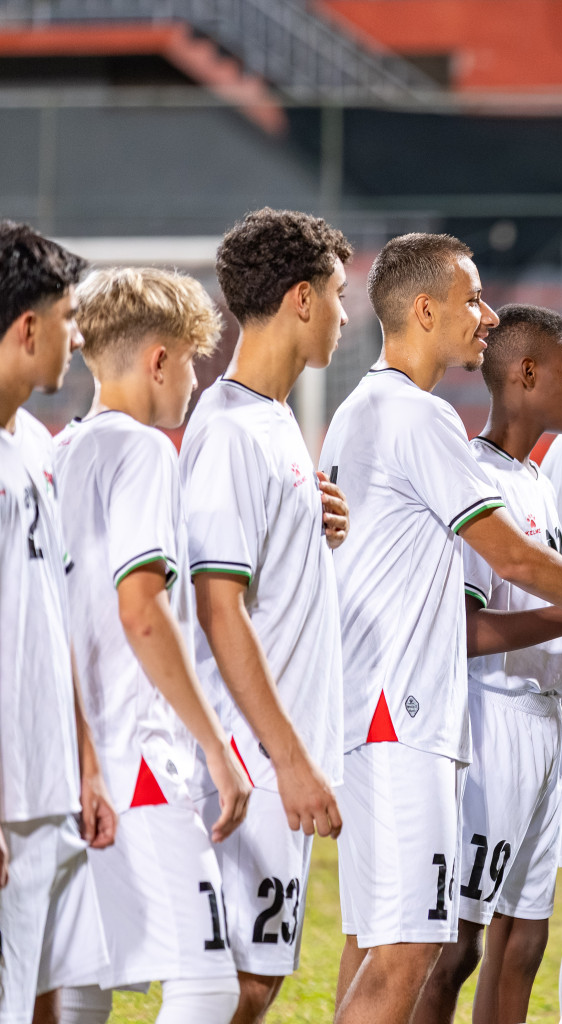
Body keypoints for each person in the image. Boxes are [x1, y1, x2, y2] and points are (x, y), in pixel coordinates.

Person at [322, 235, 562, 1024]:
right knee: (418, 949)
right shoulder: (418, 420)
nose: (486, 315)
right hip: (425, 715)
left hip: (436, 715)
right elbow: (509, 565)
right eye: (473, 299)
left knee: (426, 940)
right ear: (425, 309)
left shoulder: (381, 415)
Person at [53, 266, 254, 1024]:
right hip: (139, 759)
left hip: (79, 761)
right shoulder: (141, 452)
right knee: (207, 984)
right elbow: (143, 612)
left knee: (81, 988)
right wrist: (213, 748)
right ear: (159, 359)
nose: (197, 382)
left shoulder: (58, 453)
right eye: (194, 360)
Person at [178, 208, 354, 1023]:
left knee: (256, 980)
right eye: (338, 294)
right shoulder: (231, 435)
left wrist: (315, 532)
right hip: (248, 758)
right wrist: (289, 761)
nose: (348, 317)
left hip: (269, 746)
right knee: (235, 985)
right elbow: (220, 612)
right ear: (300, 299)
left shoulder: (274, 420)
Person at [410, 304, 562, 1024]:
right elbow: (461, 630)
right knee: (456, 942)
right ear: (526, 373)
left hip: (550, 720)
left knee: (524, 937)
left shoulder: (537, 480)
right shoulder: (470, 478)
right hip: (492, 721)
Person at [0, 223, 115, 1024]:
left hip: (51, 787)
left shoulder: (36, 444)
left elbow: (55, 612)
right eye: (70, 317)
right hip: (7, 797)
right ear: (29, 326)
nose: (79, 338)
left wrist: (88, 764)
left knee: (64, 1005)